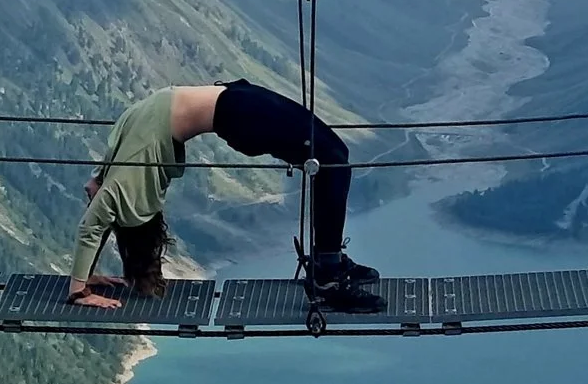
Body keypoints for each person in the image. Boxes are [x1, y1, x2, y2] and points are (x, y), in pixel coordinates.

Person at [68, 79, 382, 312]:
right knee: (333, 160)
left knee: (333, 157)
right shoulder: (123, 171)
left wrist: (86, 280)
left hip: (236, 102)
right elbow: (95, 219)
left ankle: (329, 264)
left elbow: (97, 210)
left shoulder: (120, 175)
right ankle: (328, 274)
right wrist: (80, 290)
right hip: (235, 107)